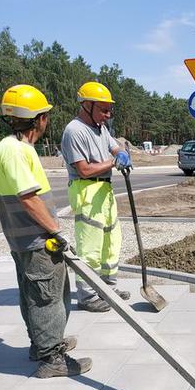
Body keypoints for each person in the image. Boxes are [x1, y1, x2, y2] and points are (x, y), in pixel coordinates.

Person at [0, 84, 92, 378]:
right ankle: (51, 358)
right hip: (37, 240)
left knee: (34, 294)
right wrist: (55, 231)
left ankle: (44, 344)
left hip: (24, 239)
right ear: (37, 119)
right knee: (46, 297)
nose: (47, 121)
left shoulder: (9, 147)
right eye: (45, 115)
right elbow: (28, 197)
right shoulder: (14, 150)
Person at [61, 82, 132, 313]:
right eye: (103, 109)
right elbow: (84, 169)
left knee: (111, 242)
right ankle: (87, 295)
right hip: (86, 190)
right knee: (90, 246)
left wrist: (121, 153)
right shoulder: (75, 131)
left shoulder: (101, 128)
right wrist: (113, 162)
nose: (108, 114)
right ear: (87, 105)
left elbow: (115, 147)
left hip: (104, 190)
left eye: (109, 110)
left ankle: (107, 287)